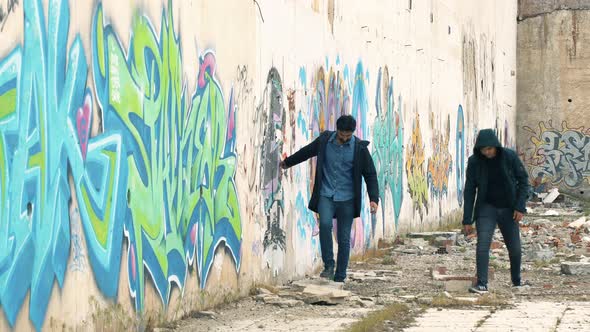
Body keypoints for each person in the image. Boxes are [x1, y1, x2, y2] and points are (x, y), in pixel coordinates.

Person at [280, 115, 379, 282]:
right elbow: (306, 152)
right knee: (325, 225)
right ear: (337, 130)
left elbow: (370, 174)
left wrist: (373, 199)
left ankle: (340, 275)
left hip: (347, 199)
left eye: (348, 136)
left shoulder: (359, 149)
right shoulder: (325, 140)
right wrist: (287, 163)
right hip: (326, 194)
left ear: (352, 133)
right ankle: (329, 265)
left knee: (344, 237)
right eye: (342, 135)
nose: (344, 139)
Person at [462, 129, 531, 294]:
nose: (487, 152)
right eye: (483, 149)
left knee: (514, 248)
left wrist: (520, 207)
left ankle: (516, 281)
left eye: (490, 149)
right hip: (486, 207)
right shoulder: (474, 162)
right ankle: (482, 284)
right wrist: (467, 219)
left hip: (509, 208)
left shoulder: (509, 156)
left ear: (496, 147)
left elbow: (523, 181)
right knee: (483, 244)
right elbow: (470, 190)